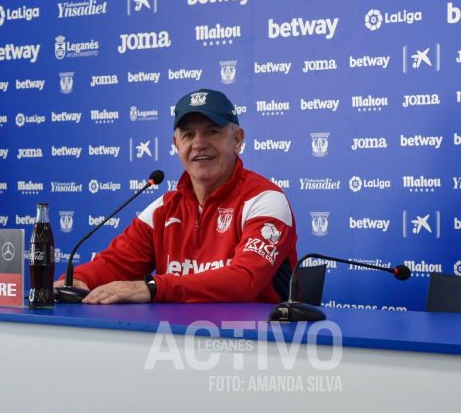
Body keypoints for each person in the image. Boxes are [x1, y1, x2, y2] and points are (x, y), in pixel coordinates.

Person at [54, 88, 298, 304]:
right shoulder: (164, 207)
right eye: (188, 135)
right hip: (174, 340)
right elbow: (116, 263)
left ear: (237, 140)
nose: (199, 144)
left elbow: (245, 280)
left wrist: (154, 287)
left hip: (258, 344)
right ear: (176, 145)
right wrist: (78, 280)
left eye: (212, 132)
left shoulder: (265, 199)